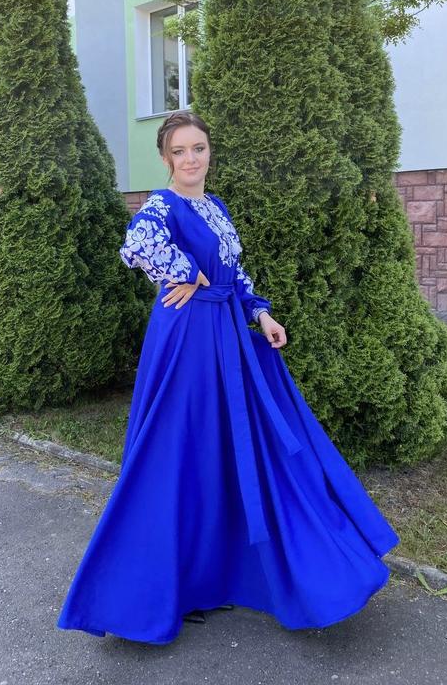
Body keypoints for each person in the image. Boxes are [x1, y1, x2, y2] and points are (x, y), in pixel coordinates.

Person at [56, 110, 400, 645]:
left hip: (226, 334)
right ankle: (160, 587)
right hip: (186, 340)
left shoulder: (215, 206)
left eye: (198, 148)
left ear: (209, 152)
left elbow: (235, 274)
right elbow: (136, 244)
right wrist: (188, 272)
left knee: (226, 447)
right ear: (165, 158)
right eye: (179, 151)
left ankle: (224, 571)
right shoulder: (162, 204)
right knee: (179, 449)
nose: (190, 159)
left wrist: (261, 314)